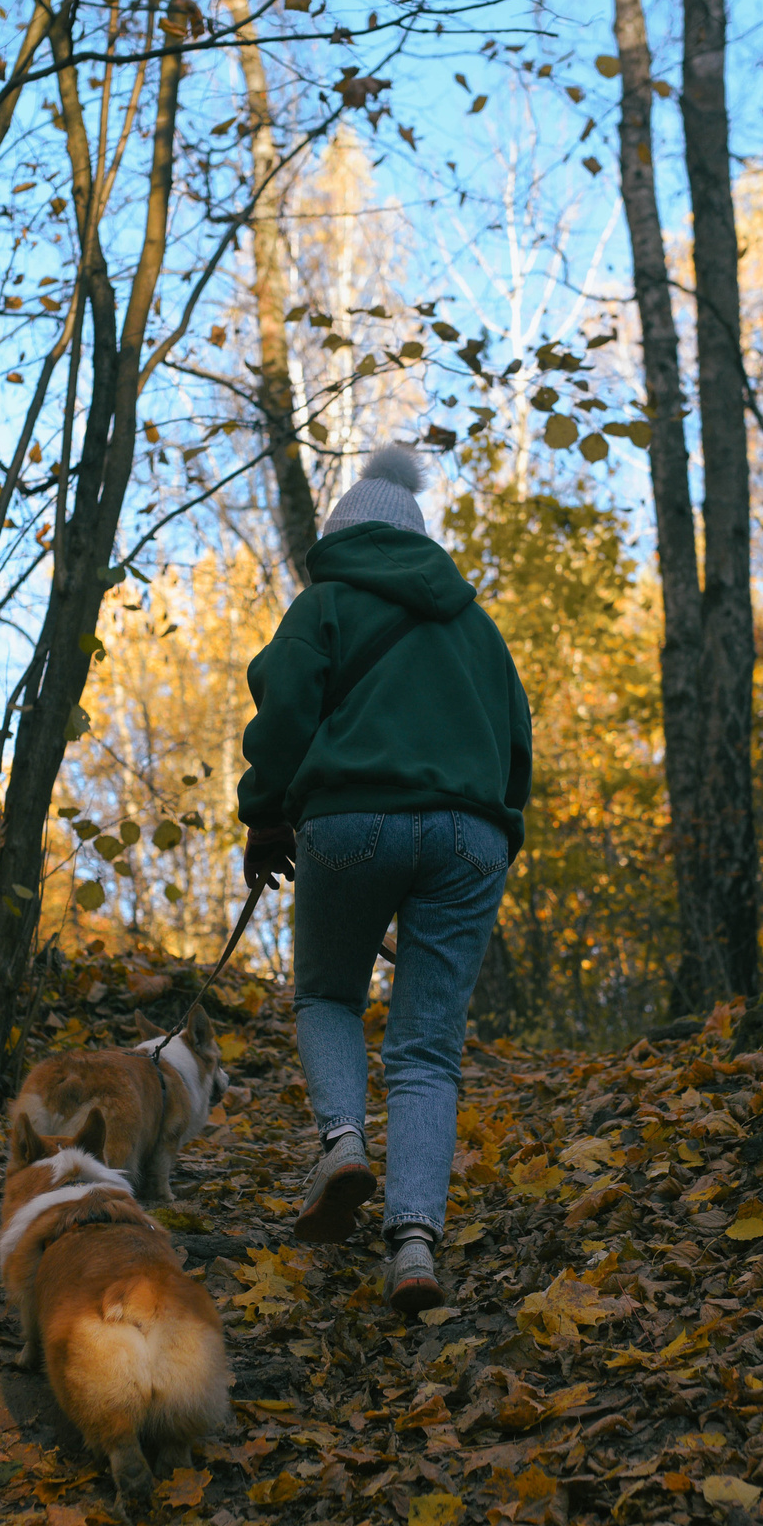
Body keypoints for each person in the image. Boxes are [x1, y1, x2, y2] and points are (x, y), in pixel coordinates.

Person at [236, 447, 532, 1315]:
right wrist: (485, 832)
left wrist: (265, 815)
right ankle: (412, 1245)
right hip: (472, 835)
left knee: (328, 995)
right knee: (428, 1048)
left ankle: (341, 1142)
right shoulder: (478, 629)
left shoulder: (324, 602)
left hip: (351, 821)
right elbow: (517, 745)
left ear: (342, 534)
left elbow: (284, 706)